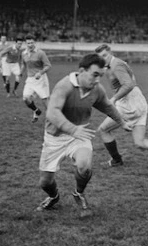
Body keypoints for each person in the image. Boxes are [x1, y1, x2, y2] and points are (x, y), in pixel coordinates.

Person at [35, 53, 131, 218]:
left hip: (80, 134)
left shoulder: (96, 89)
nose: (97, 80)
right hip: (55, 137)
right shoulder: (64, 86)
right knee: (45, 182)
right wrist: (72, 129)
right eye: (94, 75)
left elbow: (107, 106)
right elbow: (52, 112)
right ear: (81, 71)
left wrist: (122, 122)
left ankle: (78, 193)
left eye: (100, 76)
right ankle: (53, 196)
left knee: (84, 166)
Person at [94, 44, 148, 169]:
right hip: (138, 101)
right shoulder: (118, 63)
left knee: (104, 130)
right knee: (139, 141)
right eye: (100, 57)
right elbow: (131, 79)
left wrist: (114, 98)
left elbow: (128, 85)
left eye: (105, 55)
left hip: (128, 103)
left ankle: (116, 160)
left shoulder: (116, 65)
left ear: (110, 52)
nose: (103, 59)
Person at [22, 35, 52, 122]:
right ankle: (36, 110)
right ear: (26, 44)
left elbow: (48, 65)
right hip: (30, 79)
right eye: (28, 43)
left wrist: (40, 72)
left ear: (34, 43)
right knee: (26, 98)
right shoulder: (24, 53)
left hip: (41, 79)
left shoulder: (40, 53)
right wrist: (20, 73)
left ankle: (52, 119)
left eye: (32, 43)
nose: (30, 45)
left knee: (45, 100)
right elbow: (24, 64)